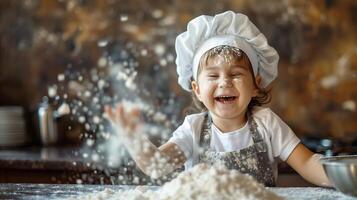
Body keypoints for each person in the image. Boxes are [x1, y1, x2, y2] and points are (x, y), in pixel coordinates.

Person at [105, 10, 331, 187]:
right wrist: (133, 138)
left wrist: (342, 174)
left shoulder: (267, 123)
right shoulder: (193, 129)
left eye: (236, 74)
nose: (224, 82)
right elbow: (157, 165)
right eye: (213, 75)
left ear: (256, 85)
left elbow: (308, 163)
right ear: (197, 89)